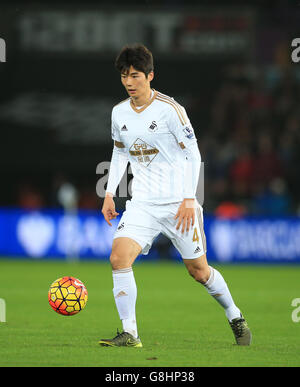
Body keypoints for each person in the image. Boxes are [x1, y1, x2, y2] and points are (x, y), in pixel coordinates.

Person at [99, 44, 251, 347]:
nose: (129, 82)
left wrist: (188, 198)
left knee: (199, 271)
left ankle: (235, 316)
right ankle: (130, 333)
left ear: (150, 75)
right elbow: (119, 154)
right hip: (142, 203)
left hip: (179, 204)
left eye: (135, 76)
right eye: (124, 76)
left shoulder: (170, 110)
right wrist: (108, 193)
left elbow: (194, 155)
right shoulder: (119, 113)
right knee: (119, 258)